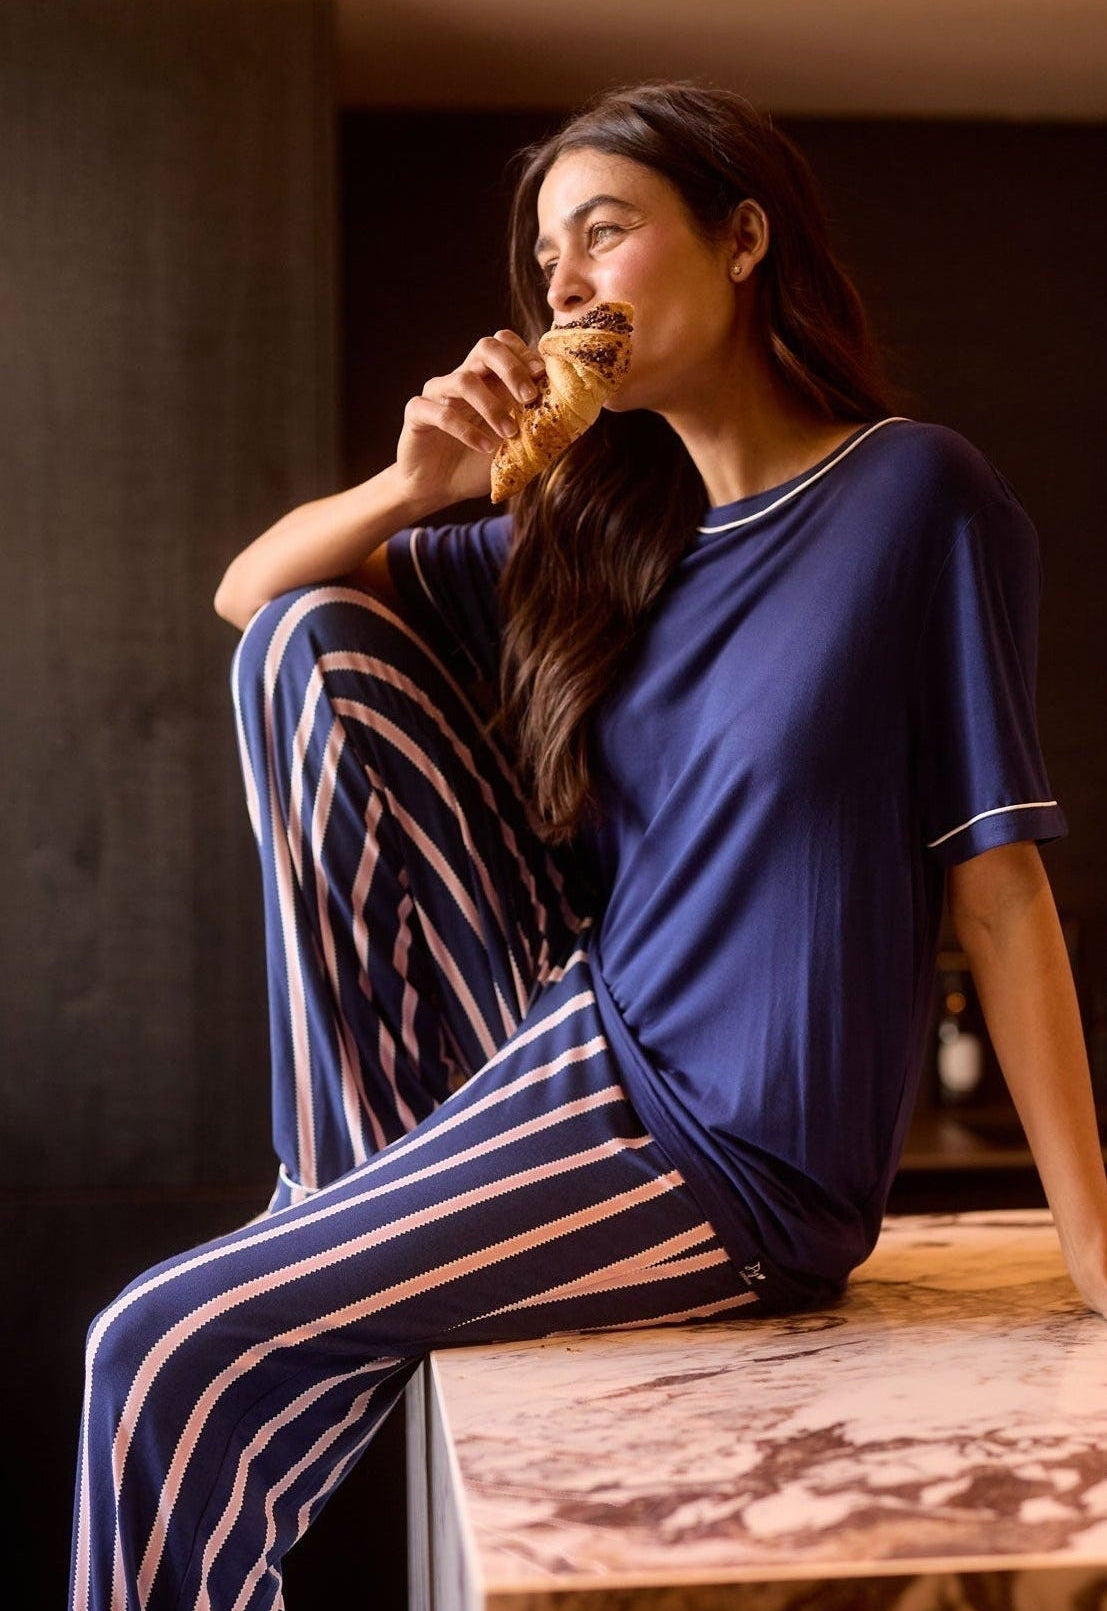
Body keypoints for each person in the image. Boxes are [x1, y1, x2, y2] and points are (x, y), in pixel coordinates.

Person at [70, 81, 1107, 1611]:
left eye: (603, 234)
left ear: (742, 239)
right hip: (570, 1042)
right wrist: (417, 488)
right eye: (546, 255)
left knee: (158, 1349)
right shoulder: (603, 538)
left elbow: (1001, 888)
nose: (561, 286)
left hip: (739, 1154)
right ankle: (342, 1191)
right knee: (311, 644)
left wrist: (1097, 1258)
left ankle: (330, 1224)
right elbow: (249, 592)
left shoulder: (914, 497)